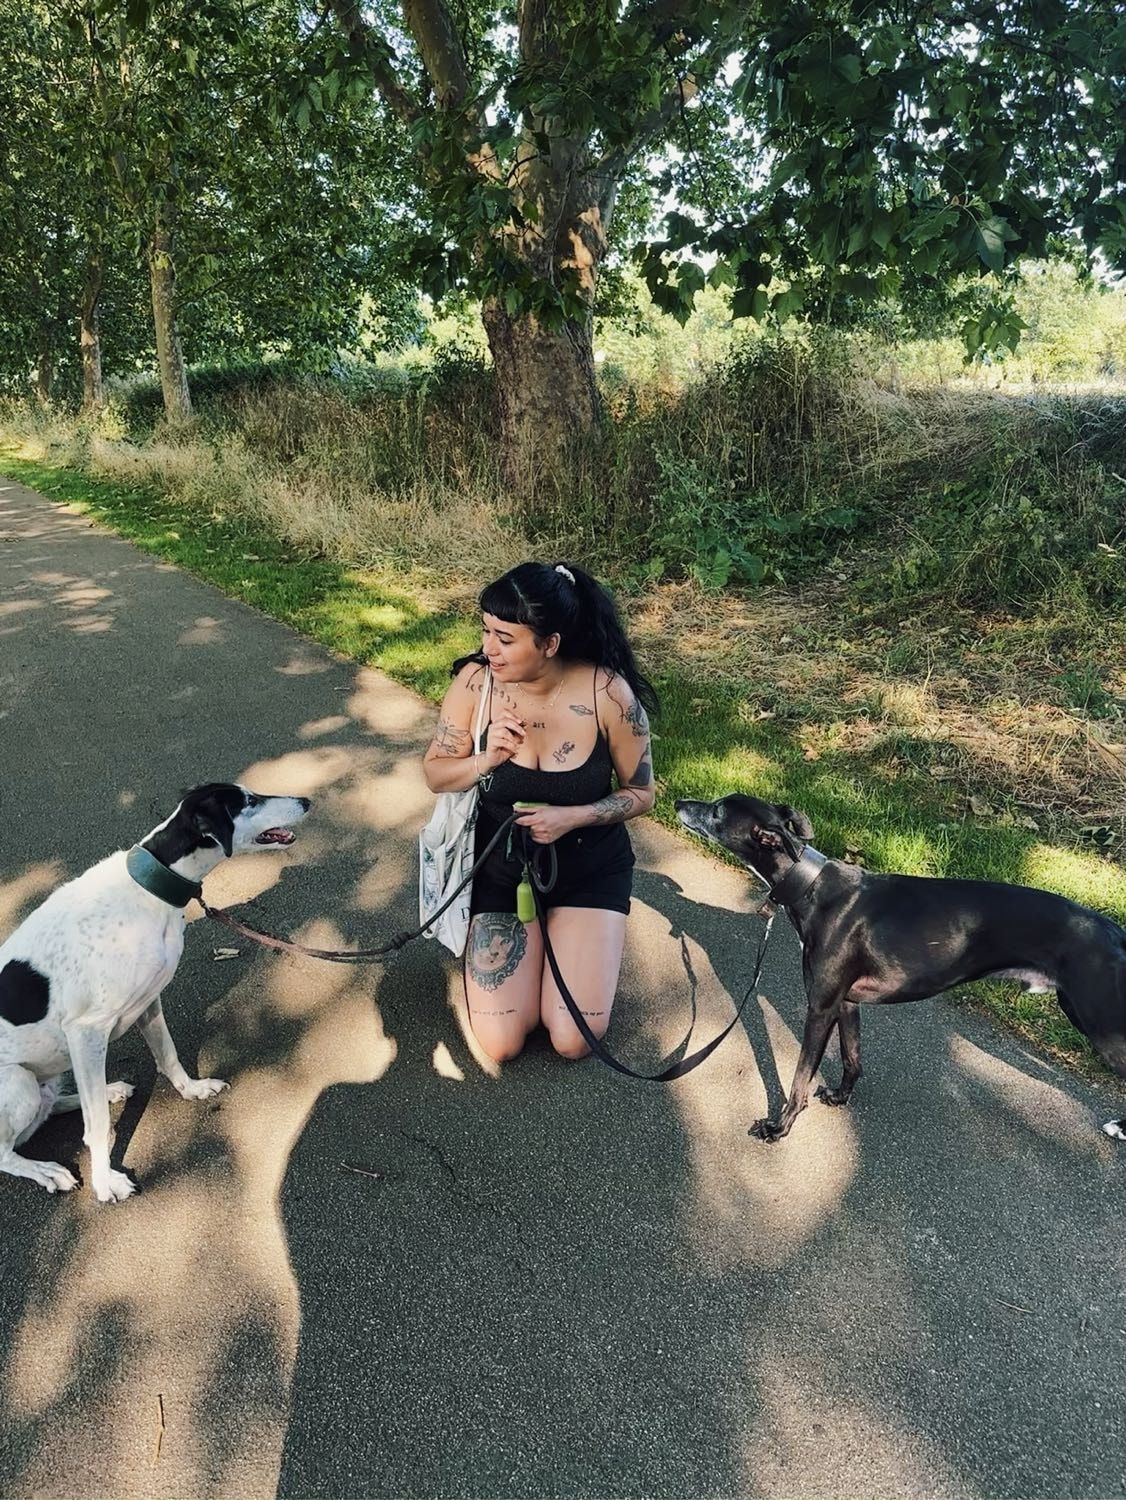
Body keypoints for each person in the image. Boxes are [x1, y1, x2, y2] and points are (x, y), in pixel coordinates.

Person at [422, 561, 658, 1063]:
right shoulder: (475, 684)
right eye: (486, 631)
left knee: (572, 1039)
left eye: (505, 639)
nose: (488, 648)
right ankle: (548, 950)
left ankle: (576, 939)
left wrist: (574, 816)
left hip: (589, 868)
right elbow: (436, 774)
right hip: (501, 869)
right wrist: (485, 760)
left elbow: (642, 793)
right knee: (501, 1043)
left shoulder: (606, 693)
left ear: (550, 643)